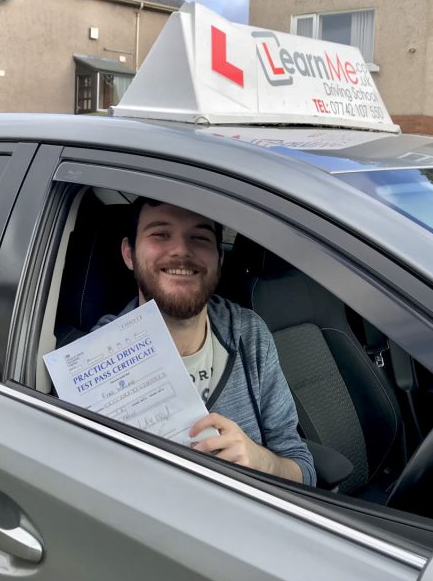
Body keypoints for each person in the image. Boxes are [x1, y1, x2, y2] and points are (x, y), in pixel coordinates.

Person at [96, 198, 315, 486]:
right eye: (160, 234)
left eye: (199, 237)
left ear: (219, 259)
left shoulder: (249, 334)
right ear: (129, 253)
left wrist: (261, 461)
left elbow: (304, 470)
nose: (181, 251)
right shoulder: (97, 357)